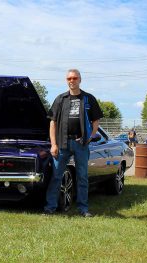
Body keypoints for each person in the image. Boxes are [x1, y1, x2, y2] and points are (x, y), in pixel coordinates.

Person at [44, 69, 103, 217]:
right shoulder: (60, 99)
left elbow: (96, 121)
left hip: (81, 144)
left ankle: (83, 209)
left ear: (80, 80)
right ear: (66, 80)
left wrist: (90, 136)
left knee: (82, 176)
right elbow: (53, 123)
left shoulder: (88, 99)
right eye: (69, 78)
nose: (72, 80)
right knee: (56, 176)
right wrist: (54, 144)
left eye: (75, 78)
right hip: (62, 143)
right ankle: (50, 207)